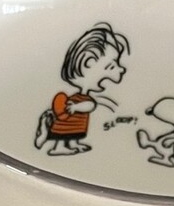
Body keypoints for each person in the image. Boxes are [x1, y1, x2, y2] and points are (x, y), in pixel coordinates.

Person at [40, 23, 129, 156]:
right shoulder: (77, 99)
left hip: (75, 126)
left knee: (73, 133)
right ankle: (59, 147)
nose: (122, 69)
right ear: (88, 63)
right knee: (64, 134)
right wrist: (76, 107)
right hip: (66, 126)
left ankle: (73, 144)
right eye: (110, 66)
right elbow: (90, 105)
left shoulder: (77, 99)